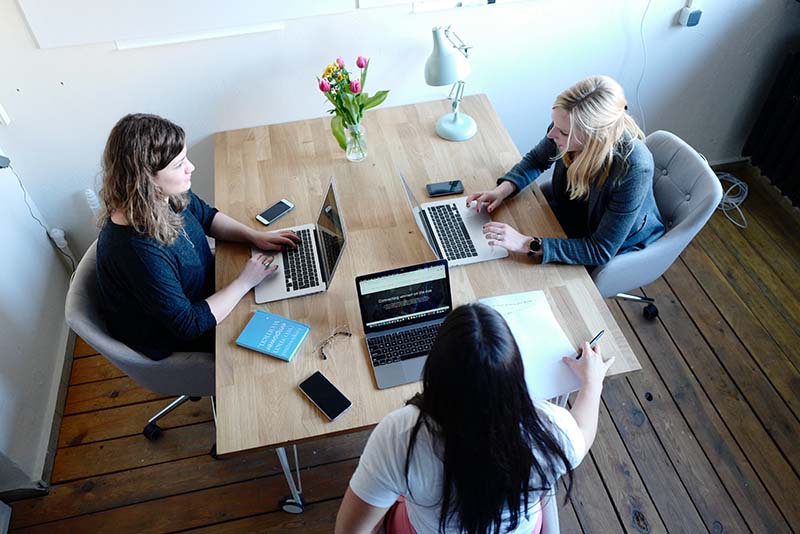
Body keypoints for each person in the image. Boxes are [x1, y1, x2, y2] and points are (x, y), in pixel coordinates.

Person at [335, 303, 615, 534]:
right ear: (515, 375)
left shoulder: (400, 435)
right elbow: (583, 431)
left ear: (435, 371)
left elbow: (350, 530)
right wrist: (592, 382)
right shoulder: (550, 430)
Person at [96, 113, 299, 360]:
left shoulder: (159, 197)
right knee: (291, 321)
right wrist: (245, 282)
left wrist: (254, 236)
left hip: (209, 290)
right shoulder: (138, 252)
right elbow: (188, 324)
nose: (190, 168)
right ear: (146, 179)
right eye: (178, 165)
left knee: (288, 294)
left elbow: (206, 217)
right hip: (180, 335)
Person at [468, 75, 665, 266]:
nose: (552, 134)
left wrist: (525, 243)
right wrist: (502, 191)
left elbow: (600, 249)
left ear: (595, 136)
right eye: (555, 124)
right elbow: (537, 160)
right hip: (569, 214)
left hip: (607, 243)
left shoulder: (634, 168)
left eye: (563, 132)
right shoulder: (564, 125)